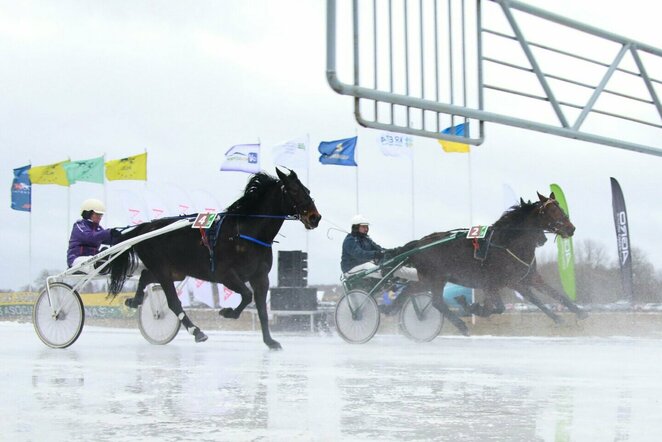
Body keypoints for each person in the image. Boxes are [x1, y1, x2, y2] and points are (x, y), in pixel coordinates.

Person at [341, 214, 418, 281]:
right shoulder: (350, 240)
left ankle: (417, 275)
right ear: (356, 227)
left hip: (365, 266)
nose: (366, 229)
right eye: (363, 226)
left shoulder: (366, 240)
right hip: (350, 269)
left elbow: (379, 250)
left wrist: (391, 252)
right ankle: (384, 271)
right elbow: (360, 254)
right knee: (370, 266)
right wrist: (376, 254)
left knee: (391, 265)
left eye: (367, 226)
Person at [67, 198, 119, 268]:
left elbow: (111, 240)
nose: (100, 217)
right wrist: (108, 232)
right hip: (77, 259)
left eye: (101, 215)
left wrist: (120, 236)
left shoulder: (99, 229)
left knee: (106, 251)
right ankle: (101, 265)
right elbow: (89, 237)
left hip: (93, 259)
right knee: (96, 261)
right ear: (88, 213)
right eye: (97, 214)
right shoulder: (79, 225)